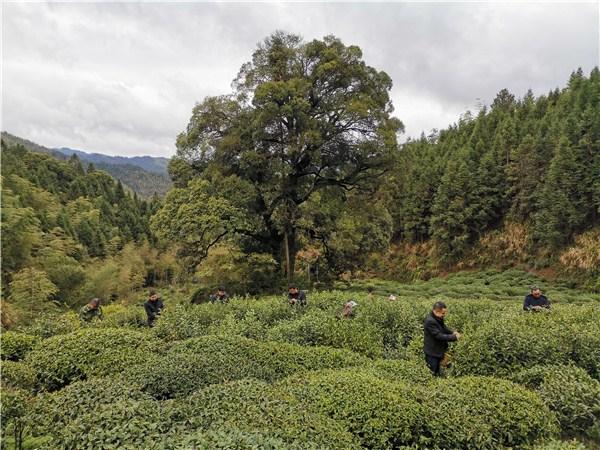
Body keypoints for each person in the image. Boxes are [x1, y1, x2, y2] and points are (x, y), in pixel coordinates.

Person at [423, 301, 461, 376]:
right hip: (432, 352)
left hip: (439, 350)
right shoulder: (430, 321)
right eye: (443, 313)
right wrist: (454, 337)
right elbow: (439, 336)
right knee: (432, 373)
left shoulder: (438, 318)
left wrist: (452, 332)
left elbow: (443, 328)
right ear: (435, 311)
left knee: (438, 371)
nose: (444, 315)